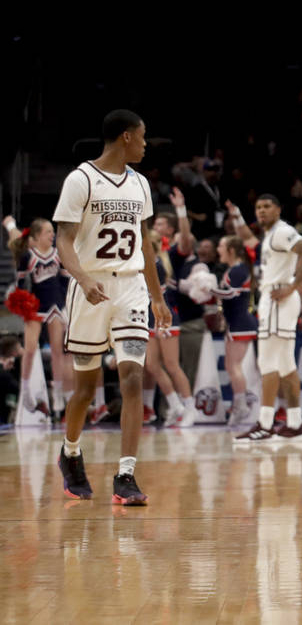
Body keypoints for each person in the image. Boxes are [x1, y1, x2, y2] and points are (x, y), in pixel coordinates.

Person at [53, 109, 171, 505]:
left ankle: (126, 475)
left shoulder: (140, 184)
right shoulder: (81, 179)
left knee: (133, 377)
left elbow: (146, 244)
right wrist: (84, 280)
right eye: (142, 137)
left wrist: (157, 296)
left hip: (131, 289)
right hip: (91, 289)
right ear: (124, 137)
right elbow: (64, 242)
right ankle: (70, 453)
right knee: (85, 390)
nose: (144, 144)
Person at [233, 194, 302, 443]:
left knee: (267, 363)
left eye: (267, 206)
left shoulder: (282, 231)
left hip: (279, 298)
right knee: (286, 365)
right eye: (258, 207)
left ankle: (266, 423)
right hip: (278, 299)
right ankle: (294, 423)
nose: (261, 211)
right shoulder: (271, 234)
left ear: (278, 209)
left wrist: (292, 286)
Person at [4, 216, 72, 419]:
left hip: (56, 306)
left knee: (58, 351)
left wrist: (65, 305)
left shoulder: (58, 254)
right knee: (30, 350)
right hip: (35, 307)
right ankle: (26, 393)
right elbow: (20, 284)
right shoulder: (28, 256)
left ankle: (59, 396)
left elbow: (64, 280)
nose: (52, 235)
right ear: (37, 236)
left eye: (52, 231)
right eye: (48, 232)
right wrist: (22, 303)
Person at [142, 229, 194, 427]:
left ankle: (190, 408)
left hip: (167, 318)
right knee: (152, 365)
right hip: (150, 318)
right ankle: (175, 405)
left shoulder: (158, 264)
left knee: (172, 365)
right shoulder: (148, 263)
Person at [213, 235, 258, 426]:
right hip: (236, 323)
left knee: (234, 366)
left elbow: (232, 293)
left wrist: (209, 289)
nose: (218, 249)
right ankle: (239, 405)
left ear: (231, 250)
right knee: (231, 366)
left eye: (221, 245)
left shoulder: (239, 269)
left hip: (241, 323)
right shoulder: (234, 269)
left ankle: (241, 406)